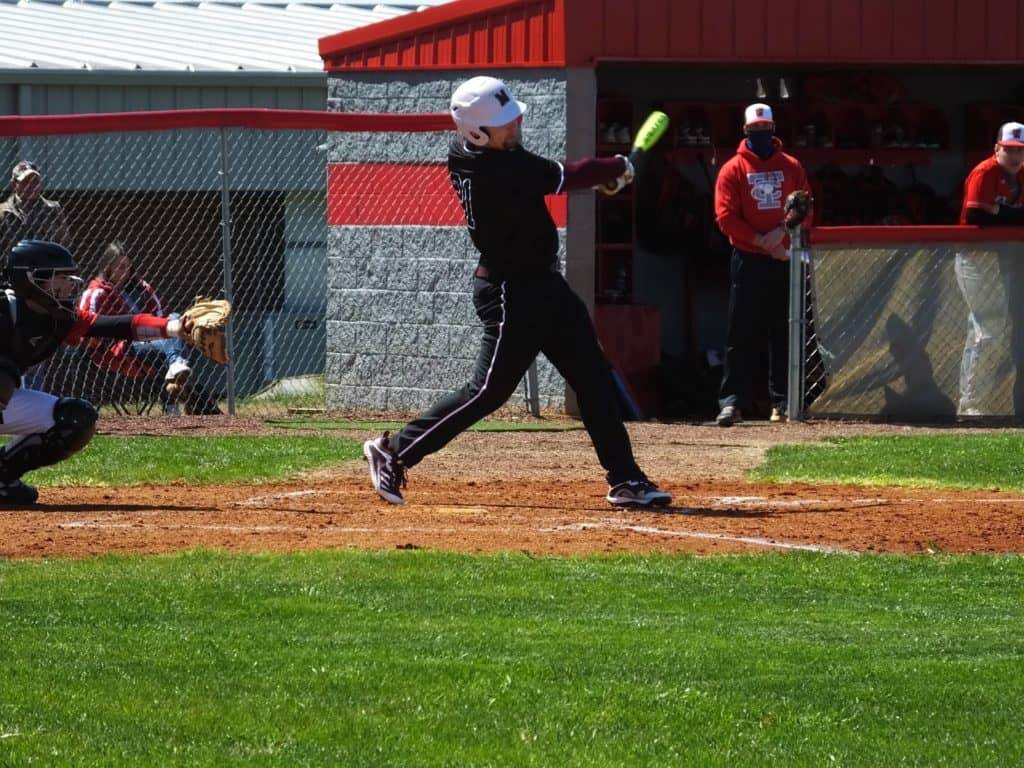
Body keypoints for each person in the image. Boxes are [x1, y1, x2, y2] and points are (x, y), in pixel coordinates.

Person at [362, 75, 671, 508]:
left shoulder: (480, 152)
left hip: (545, 285)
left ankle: (626, 479)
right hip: (511, 291)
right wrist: (620, 166)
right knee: (488, 391)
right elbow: (563, 175)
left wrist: (602, 177)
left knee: (594, 379)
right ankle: (393, 451)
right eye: (505, 122)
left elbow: (552, 179)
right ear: (476, 132)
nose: (516, 124)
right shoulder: (496, 168)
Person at [0, 239, 204, 505]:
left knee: (75, 419)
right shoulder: (5, 309)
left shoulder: (60, 318)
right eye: (60, 278)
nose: (69, 285)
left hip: (6, 397)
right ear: (31, 280)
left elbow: (118, 325)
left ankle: (2, 478)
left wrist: (175, 328)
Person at [713, 103, 811, 426]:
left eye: (765, 129)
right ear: (745, 131)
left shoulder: (791, 166)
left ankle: (783, 402)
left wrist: (782, 234)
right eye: (755, 130)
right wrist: (759, 240)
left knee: (784, 329)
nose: (760, 134)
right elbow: (725, 217)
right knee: (740, 332)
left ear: (773, 129)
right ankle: (732, 402)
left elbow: (804, 205)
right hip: (747, 258)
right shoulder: (733, 169)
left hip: (783, 257)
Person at [77, 241, 216, 415]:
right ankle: (182, 397)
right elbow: (87, 327)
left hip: (154, 339)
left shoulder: (141, 288)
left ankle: (176, 366)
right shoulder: (96, 293)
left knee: (174, 318)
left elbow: (161, 315)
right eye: (120, 267)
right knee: (171, 351)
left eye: (128, 266)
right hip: (122, 348)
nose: (125, 271)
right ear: (107, 267)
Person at [954, 121, 1024, 418]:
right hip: (976, 258)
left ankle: (977, 401)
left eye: (1019, 151)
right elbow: (975, 216)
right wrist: (1011, 215)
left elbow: (995, 216)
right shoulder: (984, 172)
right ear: (997, 148)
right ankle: (971, 404)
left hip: (1007, 258)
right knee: (988, 329)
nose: (1015, 156)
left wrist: (1000, 213)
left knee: (994, 328)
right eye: (1009, 150)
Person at [0, 161, 70, 252]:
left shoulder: (54, 209)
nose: (31, 186)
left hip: (48, 260)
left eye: (35, 181)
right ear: (14, 184)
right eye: (25, 182)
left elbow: (65, 244)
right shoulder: (3, 211)